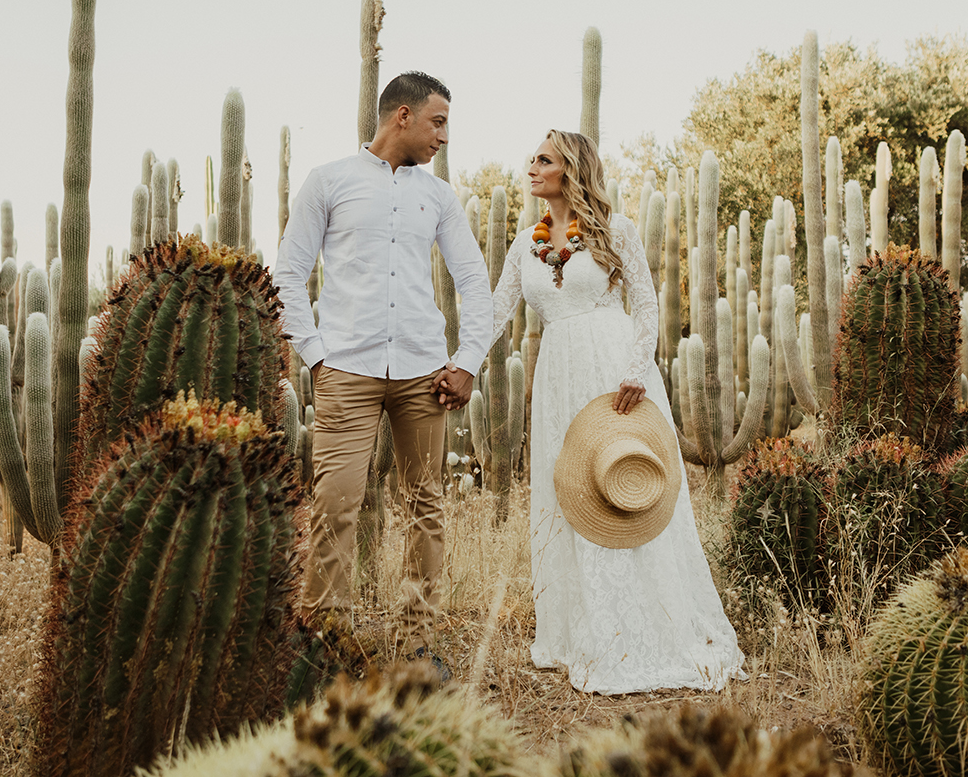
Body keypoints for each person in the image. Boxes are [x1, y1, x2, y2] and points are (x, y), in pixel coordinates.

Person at [478, 129, 746, 694]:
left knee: (621, 482)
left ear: (570, 170)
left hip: (613, 368)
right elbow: (497, 311)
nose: (531, 165)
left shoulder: (615, 230)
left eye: (543, 159)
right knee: (570, 491)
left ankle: (647, 629)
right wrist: (459, 364)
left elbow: (645, 302)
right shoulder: (525, 242)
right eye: (532, 156)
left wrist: (635, 368)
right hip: (557, 375)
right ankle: (584, 632)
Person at [274, 71, 493, 678]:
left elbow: (472, 280)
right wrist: (316, 355)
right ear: (402, 115)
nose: (444, 136)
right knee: (336, 502)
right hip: (347, 367)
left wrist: (467, 361)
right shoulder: (330, 182)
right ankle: (324, 644)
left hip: (425, 371)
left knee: (425, 505)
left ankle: (419, 644)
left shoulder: (439, 198)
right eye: (438, 122)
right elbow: (289, 273)